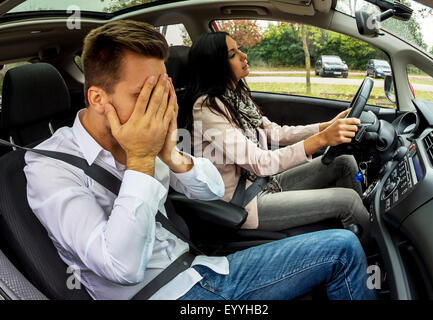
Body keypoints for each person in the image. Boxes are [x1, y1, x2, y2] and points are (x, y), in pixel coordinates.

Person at [24, 20, 377, 300]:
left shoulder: (150, 130)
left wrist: (173, 156)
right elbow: (123, 267)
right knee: (341, 248)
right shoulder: (50, 169)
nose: (158, 107)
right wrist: (142, 160)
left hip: (204, 267)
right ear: (98, 98)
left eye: (161, 90)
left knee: (339, 239)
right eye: (143, 94)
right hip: (169, 293)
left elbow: (209, 191)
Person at [184, 32, 371, 244]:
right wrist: (322, 140)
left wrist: (324, 127)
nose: (244, 56)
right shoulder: (206, 108)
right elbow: (260, 162)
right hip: (246, 202)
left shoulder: (236, 97)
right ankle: (370, 255)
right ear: (215, 65)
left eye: (239, 49)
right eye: (233, 54)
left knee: (344, 162)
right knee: (348, 201)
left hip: (266, 183)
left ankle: (358, 231)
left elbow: (276, 132)